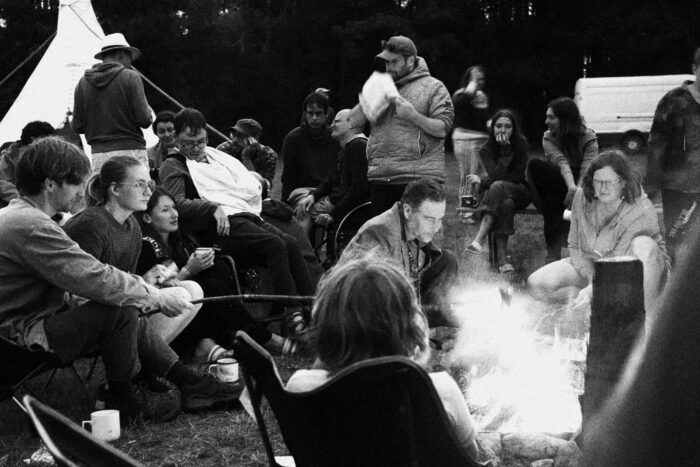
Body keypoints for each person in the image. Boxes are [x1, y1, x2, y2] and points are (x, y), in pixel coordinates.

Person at [0, 137, 239, 425]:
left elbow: (84, 277)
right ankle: (124, 400)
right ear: (51, 184)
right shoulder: (30, 224)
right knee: (121, 309)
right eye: (75, 182)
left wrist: (142, 286)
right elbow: (92, 275)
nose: (80, 190)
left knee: (124, 305)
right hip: (18, 340)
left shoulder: (21, 217)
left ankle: (188, 383)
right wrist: (153, 294)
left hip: (25, 326)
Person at [286, 258, 479, 461]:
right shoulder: (440, 391)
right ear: (409, 326)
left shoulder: (301, 387)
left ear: (325, 326)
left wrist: (330, 352)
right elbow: (469, 457)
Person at [159, 108, 314, 334]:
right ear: (177, 139)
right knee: (275, 245)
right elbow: (177, 204)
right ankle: (293, 313)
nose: (196, 148)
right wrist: (211, 207)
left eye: (201, 141)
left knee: (290, 242)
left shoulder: (215, 157)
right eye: (189, 143)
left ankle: (312, 306)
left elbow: (240, 186)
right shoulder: (173, 165)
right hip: (215, 229)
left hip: (241, 215)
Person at [136, 187, 299, 358]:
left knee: (218, 270)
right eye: (165, 210)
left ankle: (215, 343)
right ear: (147, 217)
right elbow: (157, 292)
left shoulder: (177, 242)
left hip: (187, 312)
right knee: (210, 286)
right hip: (159, 316)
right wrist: (189, 270)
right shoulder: (147, 246)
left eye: (174, 208)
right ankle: (265, 339)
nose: (174, 214)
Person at [63, 156, 201, 346]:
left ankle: (143, 356)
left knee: (191, 289)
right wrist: (148, 291)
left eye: (149, 184)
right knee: (180, 294)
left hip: (114, 303)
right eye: (139, 185)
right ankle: (140, 357)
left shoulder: (132, 226)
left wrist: (146, 280)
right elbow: (81, 289)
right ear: (115, 189)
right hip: (80, 313)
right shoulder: (91, 223)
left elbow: (122, 278)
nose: (148, 192)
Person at [528, 150, 669, 315]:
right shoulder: (582, 197)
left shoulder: (640, 205)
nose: (603, 188)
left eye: (610, 182)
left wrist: (595, 287)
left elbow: (621, 259)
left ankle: (646, 319)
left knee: (645, 246)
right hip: (594, 264)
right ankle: (594, 303)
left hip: (634, 270)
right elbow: (574, 245)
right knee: (536, 284)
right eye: (598, 181)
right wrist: (591, 280)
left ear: (623, 182)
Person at [353, 35, 454, 216]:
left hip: (418, 178)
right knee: (383, 233)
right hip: (381, 177)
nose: (389, 67)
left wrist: (414, 116)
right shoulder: (382, 85)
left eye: (395, 62)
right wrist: (368, 96)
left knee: (418, 232)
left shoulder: (434, 87)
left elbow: (442, 129)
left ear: (411, 60)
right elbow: (354, 124)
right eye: (386, 62)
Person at [339, 178, 458, 327]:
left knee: (447, 260)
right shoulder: (379, 234)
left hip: (399, 294)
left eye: (440, 219)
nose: (436, 227)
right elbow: (365, 296)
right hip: (364, 312)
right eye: (429, 219)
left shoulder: (415, 226)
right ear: (407, 211)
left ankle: (436, 316)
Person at [528, 97, 599, 262]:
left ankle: (554, 256)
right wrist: (571, 188)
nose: (546, 121)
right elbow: (561, 163)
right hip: (561, 182)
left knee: (552, 201)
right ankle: (556, 254)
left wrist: (576, 192)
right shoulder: (548, 137)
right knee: (535, 165)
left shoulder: (589, 138)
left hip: (586, 185)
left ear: (565, 119)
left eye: (551, 117)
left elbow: (588, 169)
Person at [647, 46, 700, 264]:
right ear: (695, 69)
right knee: (678, 244)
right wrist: (651, 186)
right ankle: (676, 283)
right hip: (679, 188)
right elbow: (656, 144)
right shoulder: (674, 101)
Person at [72, 33, 152, 173]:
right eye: (129, 57)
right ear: (122, 54)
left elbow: (77, 126)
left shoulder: (83, 83)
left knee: (106, 188)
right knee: (138, 187)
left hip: (99, 155)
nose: (130, 63)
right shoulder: (131, 77)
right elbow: (144, 120)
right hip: (131, 151)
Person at [464, 110, 531, 274]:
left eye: (508, 127)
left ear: (513, 129)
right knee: (506, 203)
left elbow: (516, 176)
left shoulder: (521, 143)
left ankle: (479, 239)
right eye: (499, 126)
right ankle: (502, 260)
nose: (503, 130)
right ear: (493, 128)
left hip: (520, 191)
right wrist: (491, 179)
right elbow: (496, 176)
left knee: (497, 186)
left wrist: (484, 181)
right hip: (500, 195)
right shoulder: (486, 149)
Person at [294, 108, 369, 242]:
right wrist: (313, 195)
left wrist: (333, 214)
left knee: (303, 209)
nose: (331, 125)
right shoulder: (346, 149)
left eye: (337, 121)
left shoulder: (358, 146)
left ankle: (303, 251)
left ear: (351, 124)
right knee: (300, 197)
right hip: (337, 200)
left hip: (347, 207)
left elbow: (359, 189)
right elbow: (330, 181)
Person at [281, 91, 340, 207]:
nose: (314, 118)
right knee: (306, 209)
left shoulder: (335, 138)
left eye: (318, 113)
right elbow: (289, 176)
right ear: (305, 114)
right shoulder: (293, 138)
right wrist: (285, 203)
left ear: (326, 114)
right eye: (310, 113)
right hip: (301, 191)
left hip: (329, 190)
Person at [452, 65, 490, 221]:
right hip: (466, 140)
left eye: (481, 79)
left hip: (482, 141)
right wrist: (472, 83)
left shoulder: (482, 96)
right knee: (469, 176)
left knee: (483, 177)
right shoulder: (461, 94)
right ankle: (466, 212)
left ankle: (479, 209)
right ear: (469, 79)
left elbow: (481, 118)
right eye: (476, 79)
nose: (480, 82)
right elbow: (461, 103)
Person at [0, 121, 55, 207]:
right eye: (46, 140)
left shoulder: (46, 156)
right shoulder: (8, 157)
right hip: (15, 205)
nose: (49, 144)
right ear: (33, 139)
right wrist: (27, 201)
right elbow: (3, 184)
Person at [217, 118, 278, 190]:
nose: (235, 140)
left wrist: (246, 158)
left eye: (241, 137)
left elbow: (263, 186)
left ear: (254, 139)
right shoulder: (223, 150)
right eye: (234, 135)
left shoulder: (268, 154)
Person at [146, 110, 177, 181]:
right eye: (162, 131)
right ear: (156, 133)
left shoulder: (188, 152)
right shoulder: (148, 155)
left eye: (170, 130)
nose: (167, 135)